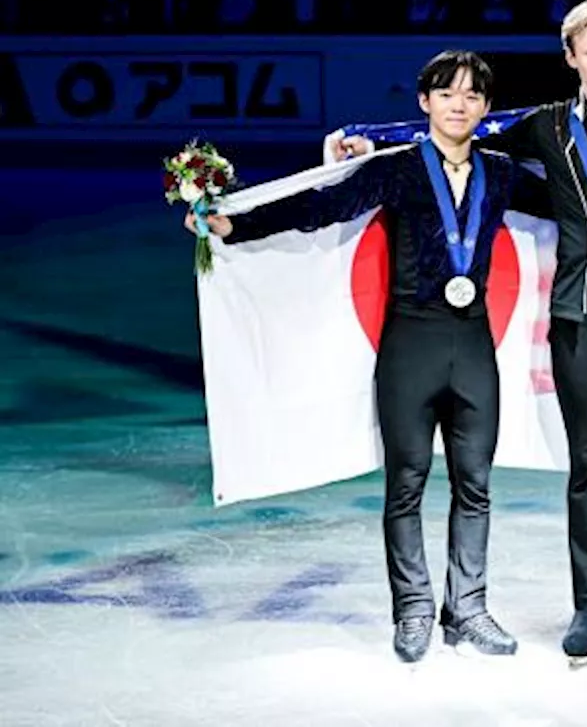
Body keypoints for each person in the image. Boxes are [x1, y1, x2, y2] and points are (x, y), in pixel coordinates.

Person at [329, 0, 587, 673]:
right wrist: (370, 139)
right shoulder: (545, 129)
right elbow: (459, 141)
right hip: (575, 321)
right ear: (571, 59)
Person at [188, 51, 551, 664]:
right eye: (447, 93)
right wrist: (236, 224)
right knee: (405, 486)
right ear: (424, 103)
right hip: (410, 345)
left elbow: (575, 208)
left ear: (486, 109)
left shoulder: (504, 173)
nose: (459, 104)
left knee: (476, 486)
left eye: (472, 96)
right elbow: (319, 207)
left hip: (472, 348)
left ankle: (468, 609)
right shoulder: (398, 170)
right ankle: (412, 609)